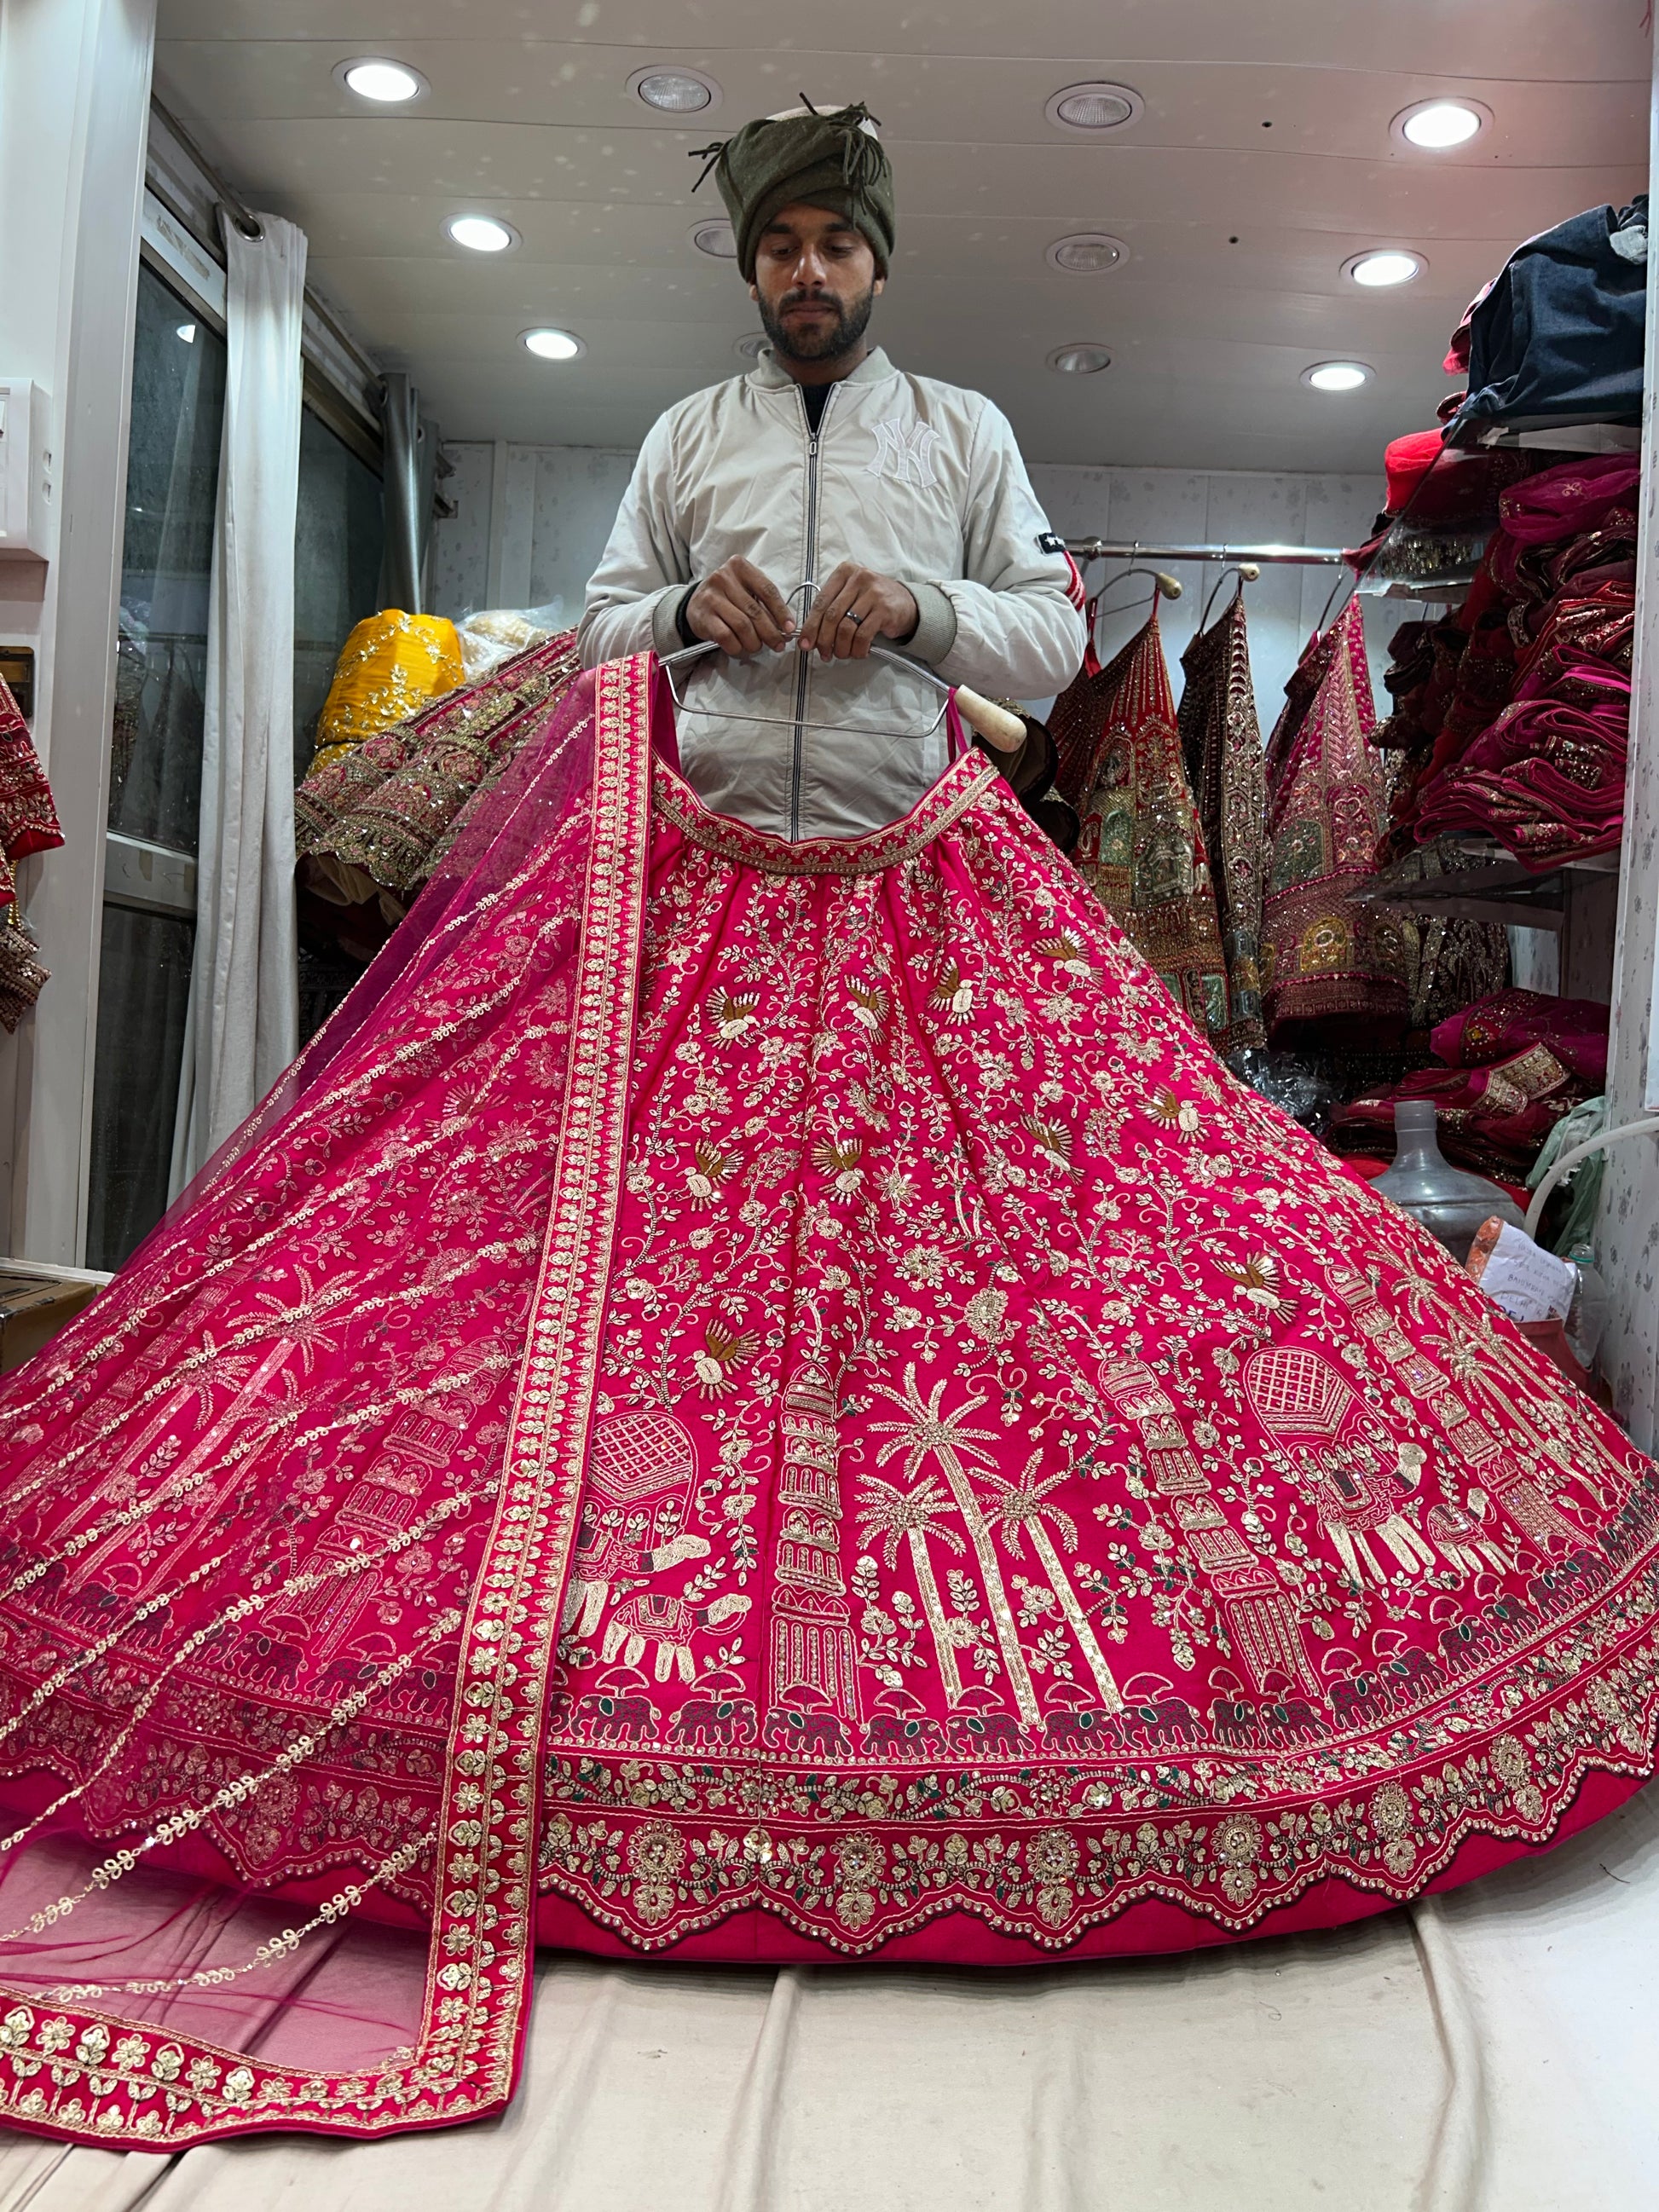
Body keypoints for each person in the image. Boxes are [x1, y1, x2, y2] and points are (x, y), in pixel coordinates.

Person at [0, 101, 1654, 2154]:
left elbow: (1045, 648)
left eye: (834, 248)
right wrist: (697, 611)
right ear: (750, 268)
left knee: (1043, 1258)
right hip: (678, 904)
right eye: (778, 245)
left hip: (912, 881)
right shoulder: (687, 436)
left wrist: (922, 616)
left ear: (877, 265)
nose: (807, 274)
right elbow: (593, 636)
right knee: (582, 1277)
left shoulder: (959, 433)